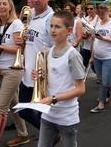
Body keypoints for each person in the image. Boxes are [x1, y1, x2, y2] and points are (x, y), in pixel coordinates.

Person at [31, 10, 85, 147]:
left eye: (58, 27)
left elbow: (80, 89)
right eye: (51, 26)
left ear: (69, 30)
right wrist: (37, 77)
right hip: (48, 115)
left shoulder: (72, 55)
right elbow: (48, 80)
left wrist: (54, 99)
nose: (53, 30)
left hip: (66, 117)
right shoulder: (47, 53)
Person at [0, 0, 29, 147]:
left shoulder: (16, 24)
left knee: (0, 108)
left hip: (13, 69)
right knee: (12, 104)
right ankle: (23, 134)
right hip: (0, 67)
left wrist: (0, 47)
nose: (1, 7)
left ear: (10, 6)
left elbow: (20, 50)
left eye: (5, 3)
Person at [16, 0, 55, 133]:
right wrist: (23, 41)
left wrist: (44, 70)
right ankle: (50, 135)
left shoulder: (51, 18)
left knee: (42, 115)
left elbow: (55, 49)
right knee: (24, 111)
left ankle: (48, 137)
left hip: (41, 77)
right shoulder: (31, 15)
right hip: (27, 73)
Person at [89, 4, 111, 112]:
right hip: (98, 56)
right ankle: (101, 104)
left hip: (109, 56)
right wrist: (92, 56)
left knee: (106, 82)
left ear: (108, 12)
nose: (101, 16)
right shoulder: (98, 23)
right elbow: (95, 41)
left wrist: (104, 38)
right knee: (102, 81)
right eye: (100, 14)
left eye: (103, 14)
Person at [80, 2, 99, 70]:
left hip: (95, 46)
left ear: (95, 9)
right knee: (82, 64)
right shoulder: (86, 19)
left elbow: (98, 30)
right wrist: (83, 35)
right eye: (87, 9)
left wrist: (90, 33)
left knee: (94, 67)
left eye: (91, 8)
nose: (89, 10)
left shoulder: (98, 18)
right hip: (86, 46)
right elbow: (82, 31)